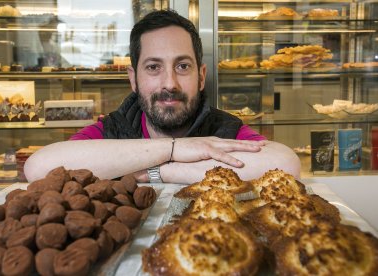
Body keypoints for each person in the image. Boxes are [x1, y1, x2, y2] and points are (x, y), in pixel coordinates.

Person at [24, 9, 300, 184]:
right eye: (153, 67)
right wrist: (173, 149)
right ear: (134, 79)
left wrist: (162, 171)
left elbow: (286, 164)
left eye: (182, 66)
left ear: (201, 76)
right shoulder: (114, 128)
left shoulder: (223, 130)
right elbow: (39, 167)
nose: (169, 83)